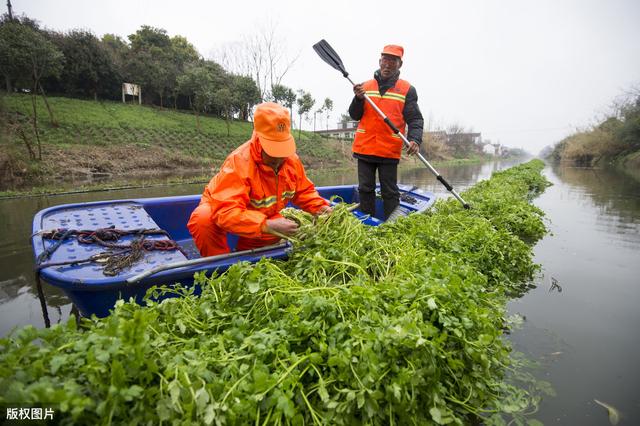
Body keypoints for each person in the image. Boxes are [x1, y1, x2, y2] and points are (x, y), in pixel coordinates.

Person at [187, 102, 332, 257]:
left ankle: (248, 257)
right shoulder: (239, 162)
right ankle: (219, 265)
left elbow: (303, 191)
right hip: (221, 207)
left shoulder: (291, 160)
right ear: (259, 140)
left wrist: (321, 209)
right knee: (203, 220)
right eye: (273, 150)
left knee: (273, 231)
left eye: (282, 149)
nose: (279, 158)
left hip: (262, 214)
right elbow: (225, 211)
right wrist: (265, 225)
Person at [349, 44, 424, 219]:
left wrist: (415, 140)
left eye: (393, 61)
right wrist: (358, 99)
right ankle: (367, 224)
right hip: (364, 148)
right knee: (365, 189)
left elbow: (415, 119)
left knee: (389, 191)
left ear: (400, 64)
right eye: (385, 60)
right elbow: (354, 115)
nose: (387, 64)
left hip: (388, 151)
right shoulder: (364, 87)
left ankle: (392, 225)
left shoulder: (407, 90)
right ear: (379, 61)